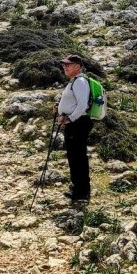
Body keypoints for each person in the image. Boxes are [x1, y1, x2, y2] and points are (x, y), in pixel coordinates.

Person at [54, 54, 93, 202]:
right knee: (74, 156)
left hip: (78, 124)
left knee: (77, 157)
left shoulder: (80, 82)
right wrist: (59, 108)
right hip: (75, 123)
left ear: (77, 66)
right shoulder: (75, 81)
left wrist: (70, 118)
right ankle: (77, 187)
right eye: (64, 64)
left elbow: (82, 105)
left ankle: (82, 192)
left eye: (68, 64)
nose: (65, 67)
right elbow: (75, 102)